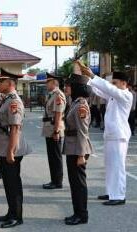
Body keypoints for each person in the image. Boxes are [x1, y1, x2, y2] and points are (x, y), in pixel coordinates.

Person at [77, 60, 133, 206]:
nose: (113, 85)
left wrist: (92, 75)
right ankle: (111, 192)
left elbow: (108, 88)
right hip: (111, 136)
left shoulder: (126, 96)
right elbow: (100, 90)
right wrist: (87, 77)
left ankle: (119, 196)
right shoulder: (114, 95)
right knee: (109, 166)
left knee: (118, 167)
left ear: (123, 83)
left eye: (115, 82)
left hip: (119, 136)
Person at [0, 68, 29, 228]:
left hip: (11, 146)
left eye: (2, 81)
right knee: (8, 182)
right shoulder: (6, 99)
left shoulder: (14, 101)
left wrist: (11, 151)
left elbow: (15, 128)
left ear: (10, 83)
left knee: (13, 183)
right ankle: (11, 212)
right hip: (4, 144)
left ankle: (16, 216)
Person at [62, 73, 94, 225]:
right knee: (74, 184)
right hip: (72, 148)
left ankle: (82, 215)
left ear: (76, 87)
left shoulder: (81, 105)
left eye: (68, 85)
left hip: (78, 150)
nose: (66, 88)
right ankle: (77, 212)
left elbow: (83, 132)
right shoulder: (75, 103)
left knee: (79, 184)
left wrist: (81, 155)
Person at [42, 73, 66, 189]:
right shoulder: (52, 95)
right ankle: (54, 180)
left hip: (54, 128)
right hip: (50, 128)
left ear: (54, 83)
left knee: (55, 157)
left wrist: (56, 131)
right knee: (52, 156)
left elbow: (58, 114)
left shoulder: (58, 95)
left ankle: (57, 181)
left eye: (48, 82)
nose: (46, 84)